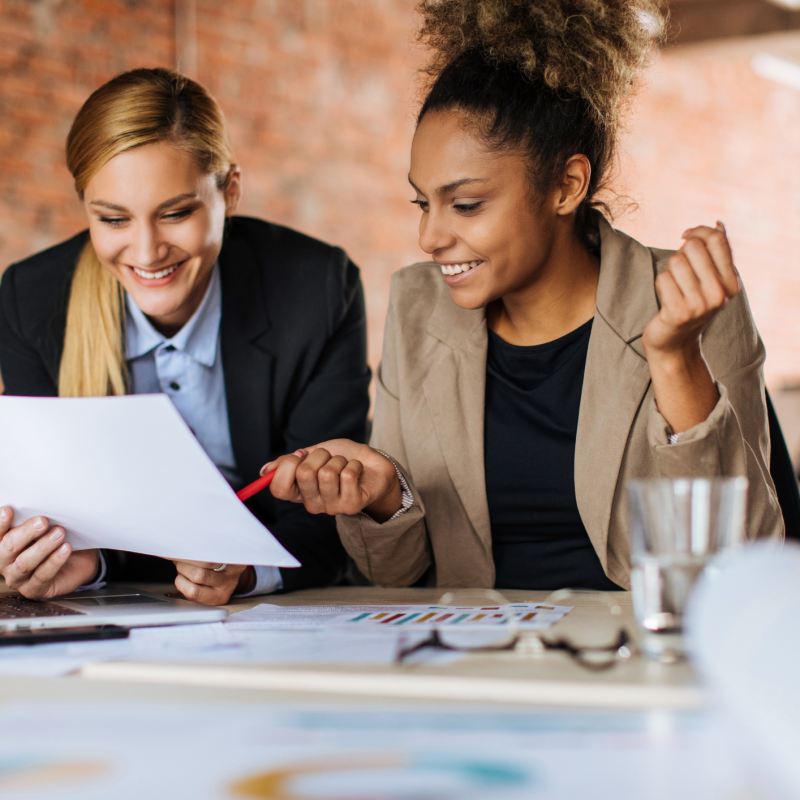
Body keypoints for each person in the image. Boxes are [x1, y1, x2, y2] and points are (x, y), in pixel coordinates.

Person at [264, 0, 783, 591]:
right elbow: (392, 576)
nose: (430, 237)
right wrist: (385, 500)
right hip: (475, 663)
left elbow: (741, 564)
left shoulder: (688, 304)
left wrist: (675, 359)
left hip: (635, 662)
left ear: (567, 185)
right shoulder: (417, 305)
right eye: (422, 203)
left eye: (466, 204)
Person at [0, 68, 370, 604]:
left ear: (230, 192)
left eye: (175, 213)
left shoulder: (317, 290)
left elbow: (328, 521)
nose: (147, 252)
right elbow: (57, 512)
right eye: (113, 219)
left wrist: (245, 573)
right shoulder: (29, 300)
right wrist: (66, 557)